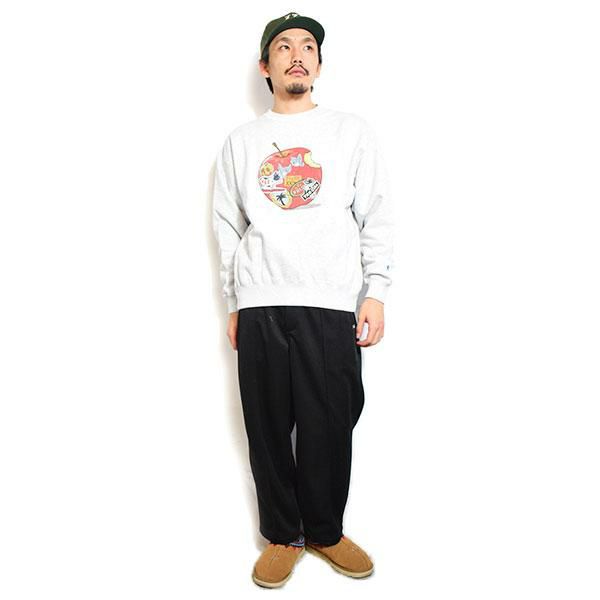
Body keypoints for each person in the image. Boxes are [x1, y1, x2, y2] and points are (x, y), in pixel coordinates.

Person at [211, 11, 394, 588]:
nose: (297, 54)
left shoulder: (351, 132)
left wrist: (376, 291)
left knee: (331, 421)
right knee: (266, 424)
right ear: (265, 66)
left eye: (308, 46)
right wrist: (234, 302)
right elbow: (228, 225)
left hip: (331, 300)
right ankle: (281, 534)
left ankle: (325, 531)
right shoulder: (242, 142)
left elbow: (376, 215)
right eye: (283, 47)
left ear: (318, 63)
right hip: (261, 300)